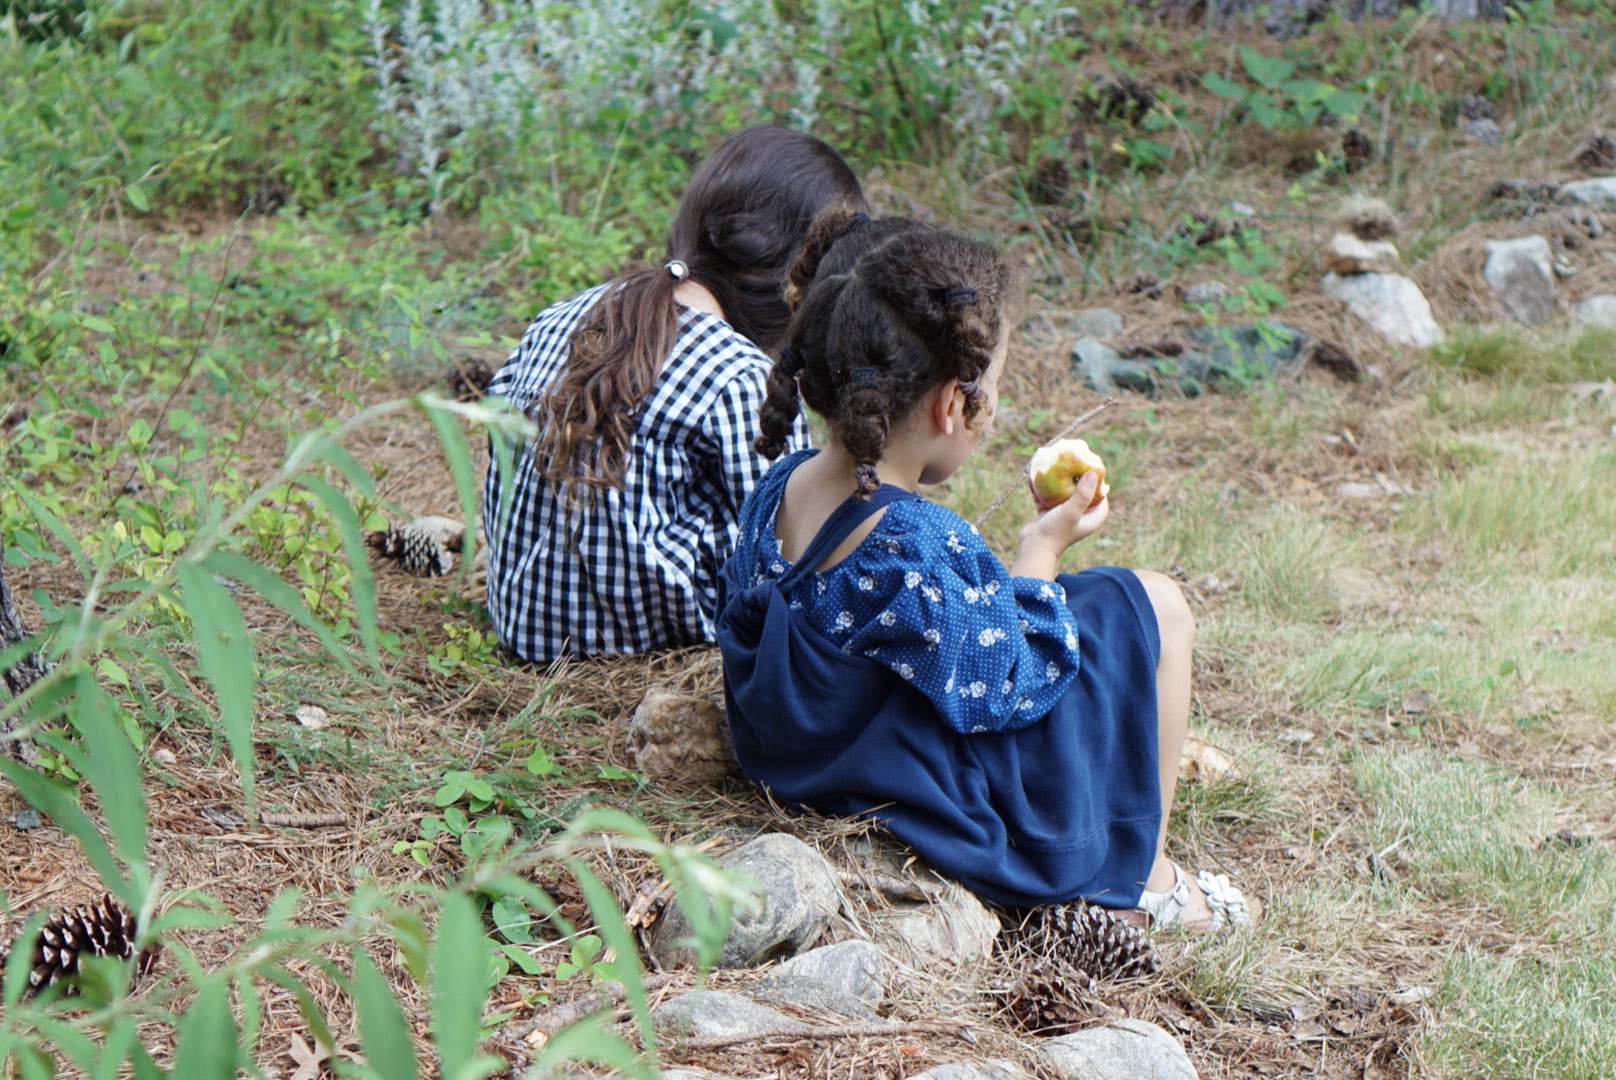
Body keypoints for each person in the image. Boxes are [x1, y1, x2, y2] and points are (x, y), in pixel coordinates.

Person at [716, 208, 1252, 930]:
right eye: (991, 388)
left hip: (814, 751)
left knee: (1106, 606)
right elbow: (1006, 688)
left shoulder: (776, 486)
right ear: (948, 406)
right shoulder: (916, 543)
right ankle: (1148, 886)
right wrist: (1042, 551)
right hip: (923, 787)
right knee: (1151, 604)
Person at [484, 126, 865, 664]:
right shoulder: (742, 378)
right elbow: (795, 556)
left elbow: (498, 447)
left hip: (523, 632)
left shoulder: (557, 318)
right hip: (648, 654)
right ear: (799, 283)